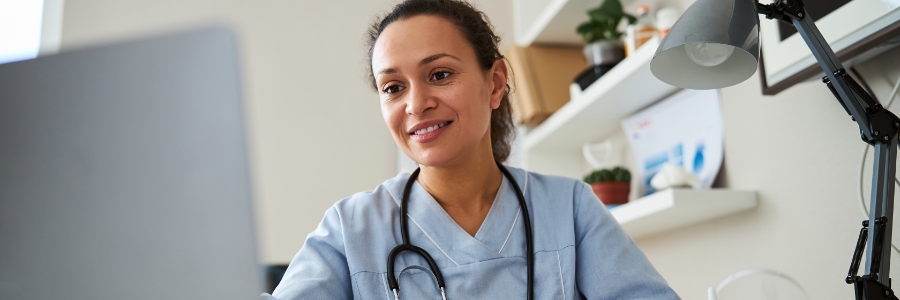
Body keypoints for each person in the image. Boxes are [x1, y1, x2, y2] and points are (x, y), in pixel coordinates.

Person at [264, 0, 680, 299]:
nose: (416, 103)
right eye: (393, 87)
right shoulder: (351, 228)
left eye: (440, 74)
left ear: (495, 83)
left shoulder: (568, 208)